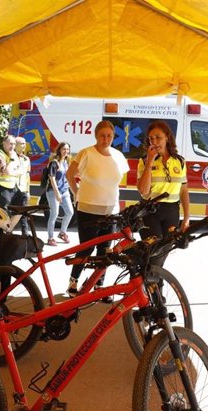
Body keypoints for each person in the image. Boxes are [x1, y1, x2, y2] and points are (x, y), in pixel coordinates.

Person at [66, 121, 130, 300]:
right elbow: (70, 175)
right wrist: (76, 193)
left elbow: (116, 181)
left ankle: (98, 285)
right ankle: (73, 282)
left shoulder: (118, 156)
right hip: (87, 209)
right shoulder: (86, 153)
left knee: (105, 250)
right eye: (102, 135)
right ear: (96, 135)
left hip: (111, 211)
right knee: (86, 248)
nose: (106, 139)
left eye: (109, 135)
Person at [137, 120, 190, 266]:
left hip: (171, 211)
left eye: (158, 137)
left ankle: (154, 285)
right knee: (152, 253)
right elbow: (143, 191)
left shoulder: (179, 161)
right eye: (151, 138)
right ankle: (145, 284)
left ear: (167, 137)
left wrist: (186, 218)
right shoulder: (144, 161)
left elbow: (184, 190)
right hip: (149, 211)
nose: (154, 141)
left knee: (164, 252)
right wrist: (149, 163)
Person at [0, 135, 29, 235]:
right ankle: (2, 233)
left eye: (14, 144)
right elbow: (7, 171)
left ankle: (8, 230)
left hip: (14, 187)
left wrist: (11, 171)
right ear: (4, 143)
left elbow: (22, 171)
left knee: (22, 206)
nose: (12, 146)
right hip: (2, 187)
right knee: (4, 213)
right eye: (10, 143)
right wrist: (12, 160)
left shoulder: (14, 155)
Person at [45, 142, 75, 246]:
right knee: (54, 214)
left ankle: (62, 233)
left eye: (67, 149)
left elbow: (67, 177)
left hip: (64, 190)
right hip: (53, 191)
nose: (66, 151)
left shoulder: (66, 162)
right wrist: (57, 193)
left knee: (70, 212)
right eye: (64, 149)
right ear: (59, 150)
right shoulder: (54, 162)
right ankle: (50, 238)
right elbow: (52, 178)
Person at [15, 136, 31, 234]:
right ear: (15, 145)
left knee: (24, 213)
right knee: (10, 212)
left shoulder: (26, 159)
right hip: (12, 189)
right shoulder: (11, 157)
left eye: (25, 143)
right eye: (22, 143)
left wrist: (28, 191)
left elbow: (27, 176)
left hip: (23, 190)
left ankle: (25, 233)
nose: (24, 145)